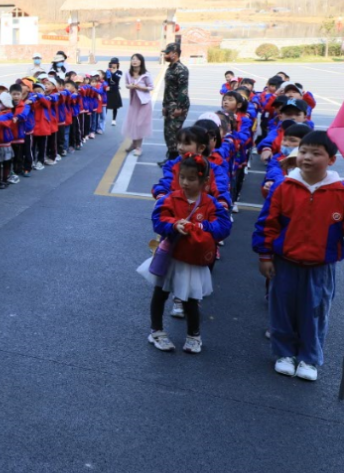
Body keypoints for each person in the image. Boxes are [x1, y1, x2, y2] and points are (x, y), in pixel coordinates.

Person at [253, 130, 344, 382]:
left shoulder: (340, 192)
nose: (307, 157)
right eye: (303, 151)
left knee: (315, 311)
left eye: (316, 153)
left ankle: (309, 357)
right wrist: (265, 255)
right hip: (285, 262)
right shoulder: (285, 186)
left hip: (320, 266)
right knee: (282, 309)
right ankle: (284, 353)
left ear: (331, 160)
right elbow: (268, 223)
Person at [144, 155, 232, 353]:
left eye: (191, 179)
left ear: (204, 181)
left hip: (193, 258)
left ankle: (194, 335)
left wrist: (198, 226)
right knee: (160, 293)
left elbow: (224, 227)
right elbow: (158, 220)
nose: (185, 182)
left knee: (192, 298)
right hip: (171, 255)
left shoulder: (211, 204)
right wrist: (174, 225)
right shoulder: (171, 198)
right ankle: (156, 330)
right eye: (182, 177)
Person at [160, 42, 190, 165]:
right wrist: (164, 105)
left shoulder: (181, 69)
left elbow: (183, 90)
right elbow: (167, 89)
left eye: (167, 53)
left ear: (175, 54)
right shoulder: (171, 68)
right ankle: (171, 156)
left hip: (178, 105)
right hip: (169, 104)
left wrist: (179, 107)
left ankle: (175, 160)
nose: (165, 55)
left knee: (174, 132)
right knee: (168, 132)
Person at [122, 53, 153, 156]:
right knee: (132, 124)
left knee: (140, 125)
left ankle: (138, 147)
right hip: (134, 102)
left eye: (137, 59)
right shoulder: (128, 73)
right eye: (132, 59)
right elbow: (126, 85)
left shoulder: (146, 74)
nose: (134, 61)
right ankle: (133, 144)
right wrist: (130, 86)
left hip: (144, 102)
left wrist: (140, 87)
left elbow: (151, 87)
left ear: (141, 62)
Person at [105, 57, 123, 126]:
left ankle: (114, 119)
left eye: (115, 63)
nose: (113, 65)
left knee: (115, 106)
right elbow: (106, 79)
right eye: (112, 63)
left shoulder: (119, 72)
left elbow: (116, 79)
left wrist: (112, 72)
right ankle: (104, 118)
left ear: (117, 64)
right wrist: (108, 72)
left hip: (115, 89)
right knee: (106, 105)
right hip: (108, 89)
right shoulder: (107, 71)